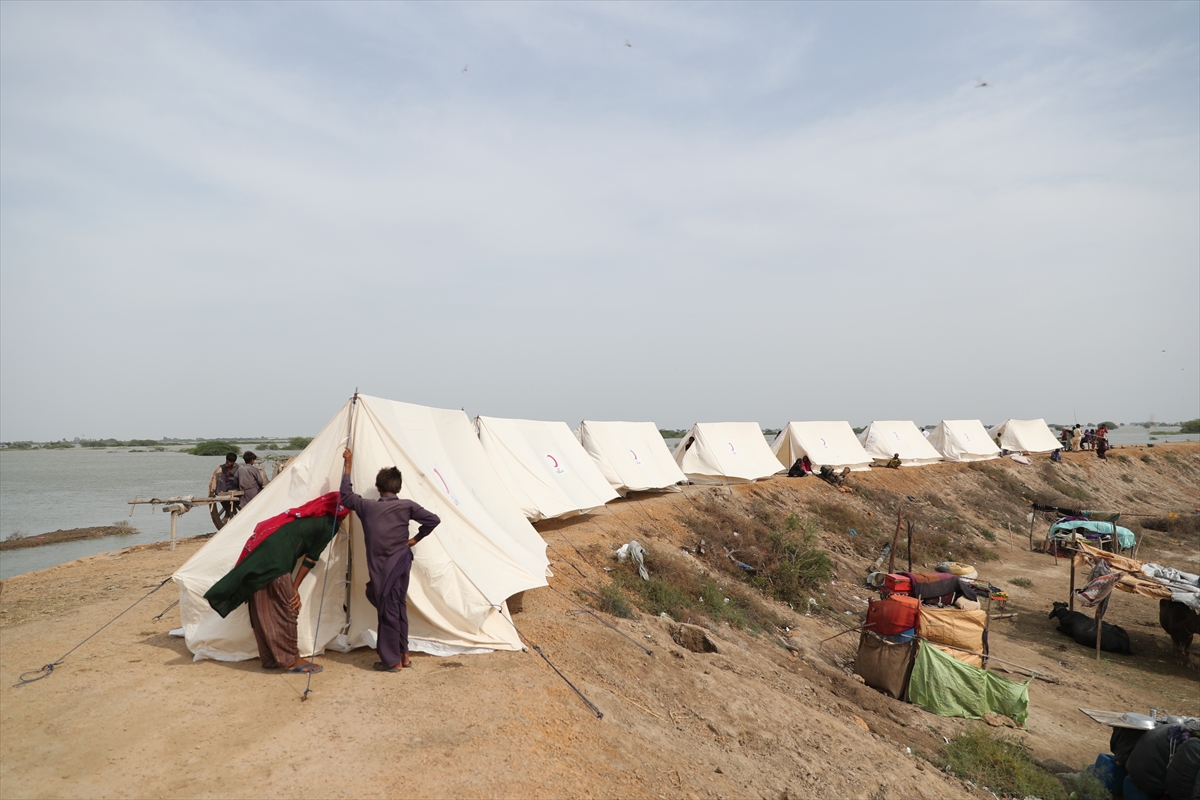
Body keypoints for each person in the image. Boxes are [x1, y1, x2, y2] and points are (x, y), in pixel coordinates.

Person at [203, 498, 345, 674]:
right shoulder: (331, 524)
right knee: (288, 607)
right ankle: (291, 660)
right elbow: (311, 558)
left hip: (264, 552)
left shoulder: (312, 517)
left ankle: (270, 658)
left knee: (261, 604)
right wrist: (295, 587)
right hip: (277, 560)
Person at [341, 448, 440, 672]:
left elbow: (346, 496)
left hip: (383, 569)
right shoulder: (407, 506)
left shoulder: (368, 507)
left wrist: (348, 465)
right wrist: (416, 538)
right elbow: (433, 520)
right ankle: (403, 654)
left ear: (378, 487)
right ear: (399, 488)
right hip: (401, 563)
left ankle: (392, 661)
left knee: (388, 609)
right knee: (396, 606)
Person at [209, 452, 239, 518]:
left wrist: (228, 468)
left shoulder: (238, 467)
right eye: (229, 461)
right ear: (227, 460)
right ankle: (227, 509)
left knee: (223, 478)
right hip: (224, 485)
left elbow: (237, 478)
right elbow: (221, 477)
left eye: (232, 462)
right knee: (221, 477)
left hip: (234, 485)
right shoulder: (222, 467)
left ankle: (228, 511)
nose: (231, 463)